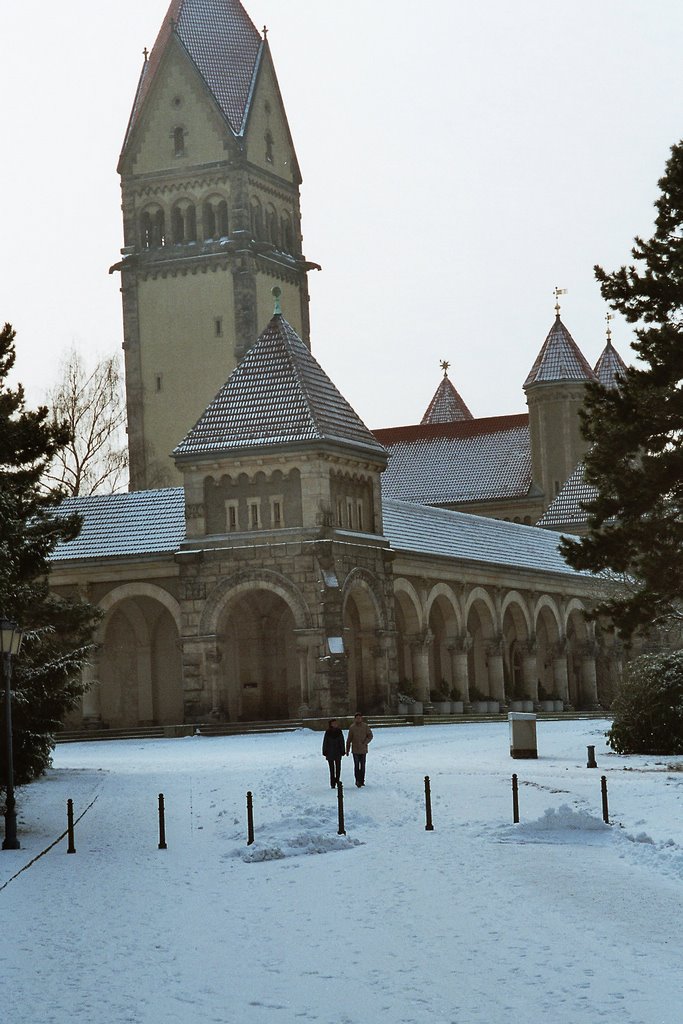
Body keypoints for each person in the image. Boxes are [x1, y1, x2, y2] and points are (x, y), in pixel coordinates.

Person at [345, 712, 373, 787]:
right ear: (355, 719)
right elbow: (349, 739)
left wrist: (365, 742)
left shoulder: (365, 726)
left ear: (361, 718)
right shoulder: (352, 727)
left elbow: (370, 735)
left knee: (363, 766)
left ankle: (362, 780)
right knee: (356, 766)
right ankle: (357, 780)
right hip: (355, 750)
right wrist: (347, 750)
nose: (358, 719)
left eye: (359, 718)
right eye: (357, 718)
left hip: (363, 749)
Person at [322, 718, 346, 788]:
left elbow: (342, 741)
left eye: (336, 723)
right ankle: (332, 783)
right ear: (331, 724)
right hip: (330, 752)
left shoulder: (339, 731)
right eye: (334, 723)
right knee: (331, 769)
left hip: (338, 752)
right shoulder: (328, 732)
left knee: (338, 768)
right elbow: (325, 742)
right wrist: (324, 750)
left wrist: (342, 750)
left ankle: (337, 780)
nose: (335, 724)